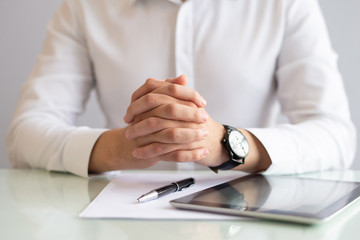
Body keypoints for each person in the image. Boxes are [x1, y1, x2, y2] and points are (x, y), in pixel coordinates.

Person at [7, 0, 356, 178]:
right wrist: (119, 147)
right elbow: (24, 134)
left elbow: (337, 134)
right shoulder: (85, 7)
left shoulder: (286, 3)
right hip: (119, 225)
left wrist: (226, 144)